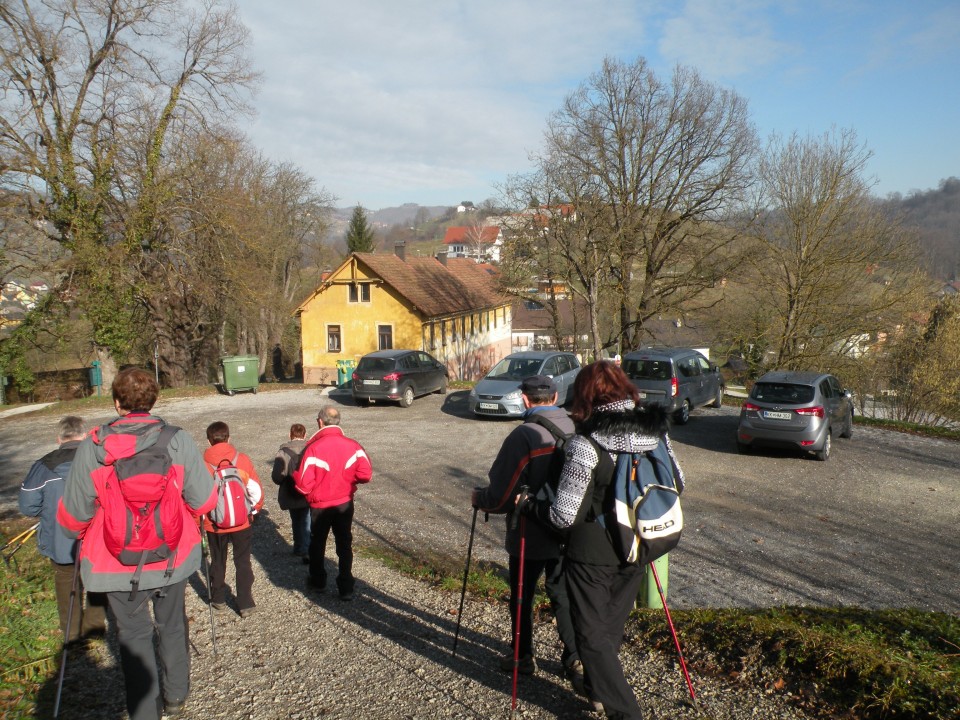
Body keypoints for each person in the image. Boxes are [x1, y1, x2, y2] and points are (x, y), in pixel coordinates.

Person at [58, 367, 217, 720]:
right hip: (172, 555)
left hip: (115, 562)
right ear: (154, 400)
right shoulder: (177, 440)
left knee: (132, 634)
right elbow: (205, 502)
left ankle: (145, 711)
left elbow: (72, 517)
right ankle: (176, 696)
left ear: (117, 403)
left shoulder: (94, 447)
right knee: (172, 624)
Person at [540, 361, 684, 720]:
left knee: (590, 639)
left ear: (585, 396)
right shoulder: (656, 433)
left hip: (592, 556)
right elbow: (678, 483)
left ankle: (624, 712)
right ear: (625, 390)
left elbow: (563, 516)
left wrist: (529, 506)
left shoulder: (585, 443)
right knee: (607, 631)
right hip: (638, 546)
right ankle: (597, 690)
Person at [472, 375, 581, 686]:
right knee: (563, 592)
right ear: (557, 395)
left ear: (524, 399)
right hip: (569, 529)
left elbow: (502, 495)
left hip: (529, 531)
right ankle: (575, 659)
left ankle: (522, 656)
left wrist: (480, 500)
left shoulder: (524, 436)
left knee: (522, 593)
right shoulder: (577, 428)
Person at [19, 415, 106, 642]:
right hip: (96, 533)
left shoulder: (41, 466)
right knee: (96, 577)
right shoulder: (100, 460)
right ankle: (95, 626)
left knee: (66, 579)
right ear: (85, 435)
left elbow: (28, 506)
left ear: (59, 438)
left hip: (59, 536)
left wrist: (48, 511)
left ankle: (72, 632)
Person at [294, 405, 372, 601]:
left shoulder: (313, 449)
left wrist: (306, 484)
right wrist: (349, 482)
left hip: (320, 505)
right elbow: (366, 474)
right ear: (338, 421)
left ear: (320, 422)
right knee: (344, 543)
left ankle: (318, 582)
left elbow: (303, 486)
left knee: (317, 543)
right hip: (344, 503)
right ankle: (346, 586)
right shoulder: (353, 446)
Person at [202, 421, 264, 617]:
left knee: (218, 561)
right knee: (243, 561)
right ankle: (245, 602)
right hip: (241, 521)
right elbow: (256, 491)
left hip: (214, 524)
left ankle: (218, 598)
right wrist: (253, 511)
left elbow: (198, 496)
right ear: (229, 438)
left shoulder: (202, 464)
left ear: (209, 441)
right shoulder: (242, 460)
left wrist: (199, 521)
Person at [272, 423, 311, 563]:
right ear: (305, 435)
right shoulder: (311, 449)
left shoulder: (283, 452)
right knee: (307, 519)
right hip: (307, 492)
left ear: (290, 435)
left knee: (296, 520)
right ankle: (308, 549)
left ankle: (299, 547)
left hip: (290, 491)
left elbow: (277, 476)